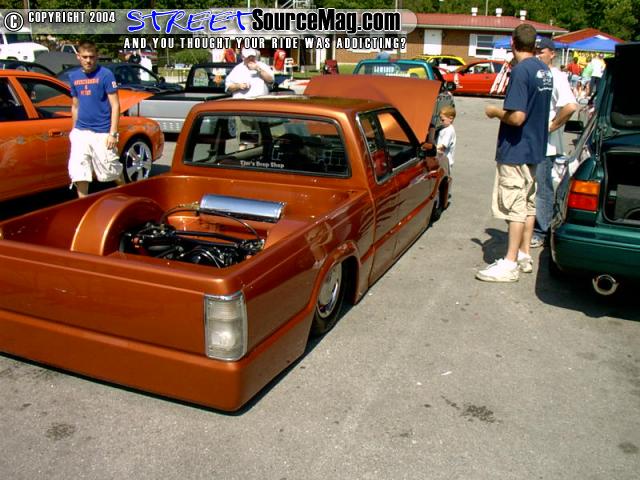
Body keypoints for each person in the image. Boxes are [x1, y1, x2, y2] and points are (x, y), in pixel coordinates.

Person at [477, 24, 552, 282]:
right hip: (535, 148)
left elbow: (517, 117)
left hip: (516, 149)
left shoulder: (521, 71)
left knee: (514, 207)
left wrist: (494, 112)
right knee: (528, 204)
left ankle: (509, 264)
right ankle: (523, 254)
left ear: (512, 43)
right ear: (535, 44)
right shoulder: (544, 70)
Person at [531, 37, 578, 248]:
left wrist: (552, 126)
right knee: (530, 186)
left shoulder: (557, 76)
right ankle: (530, 226)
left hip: (546, 144)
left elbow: (570, 106)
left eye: (541, 51)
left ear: (552, 54)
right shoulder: (534, 73)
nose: (537, 54)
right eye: (535, 51)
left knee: (543, 188)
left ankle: (541, 230)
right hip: (530, 141)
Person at [68, 40, 123, 198]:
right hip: (81, 132)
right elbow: (75, 105)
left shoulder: (105, 74)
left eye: (91, 57)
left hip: (102, 132)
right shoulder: (73, 76)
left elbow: (115, 105)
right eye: (85, 57)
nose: (88, 60)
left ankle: (126, 195)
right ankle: (83, 205)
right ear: (78, 56)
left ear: (96, 56)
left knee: (111, 170)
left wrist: (113, 133)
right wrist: (73, 131)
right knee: (79, 172)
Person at [436, 105, 456, 173]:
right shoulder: (445, 128)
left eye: (442, 120)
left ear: (451, 119)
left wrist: (432, 148)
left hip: (445, 163)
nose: (441, 122)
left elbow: (442, 146)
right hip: (442, 160)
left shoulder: (449, 131)